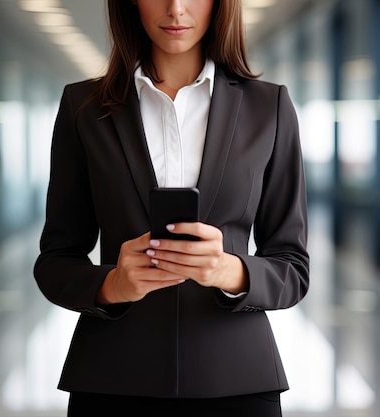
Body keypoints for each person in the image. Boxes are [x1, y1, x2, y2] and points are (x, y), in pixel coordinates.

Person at [33, 0, 309, 416]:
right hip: (112, 380)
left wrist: (227, 270)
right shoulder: (83, 107)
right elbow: (55, 262)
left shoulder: (267, 107)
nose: (175, 8)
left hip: (237, 380)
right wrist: (113, 286)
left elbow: (293, 267)